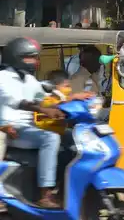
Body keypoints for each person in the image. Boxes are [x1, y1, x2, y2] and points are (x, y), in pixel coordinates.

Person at [0, 37, 65, 208]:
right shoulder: (3, 77)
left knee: (67, 138)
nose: (35, 62)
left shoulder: (28, 79)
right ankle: (45, 195)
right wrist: (44, 110)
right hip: (11, 129)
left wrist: (72, 99)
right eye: (31, 57)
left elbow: (44, 97)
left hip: (28, 129)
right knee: (50, 138)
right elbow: (18, 101)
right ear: (17, 57)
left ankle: (62, 189)